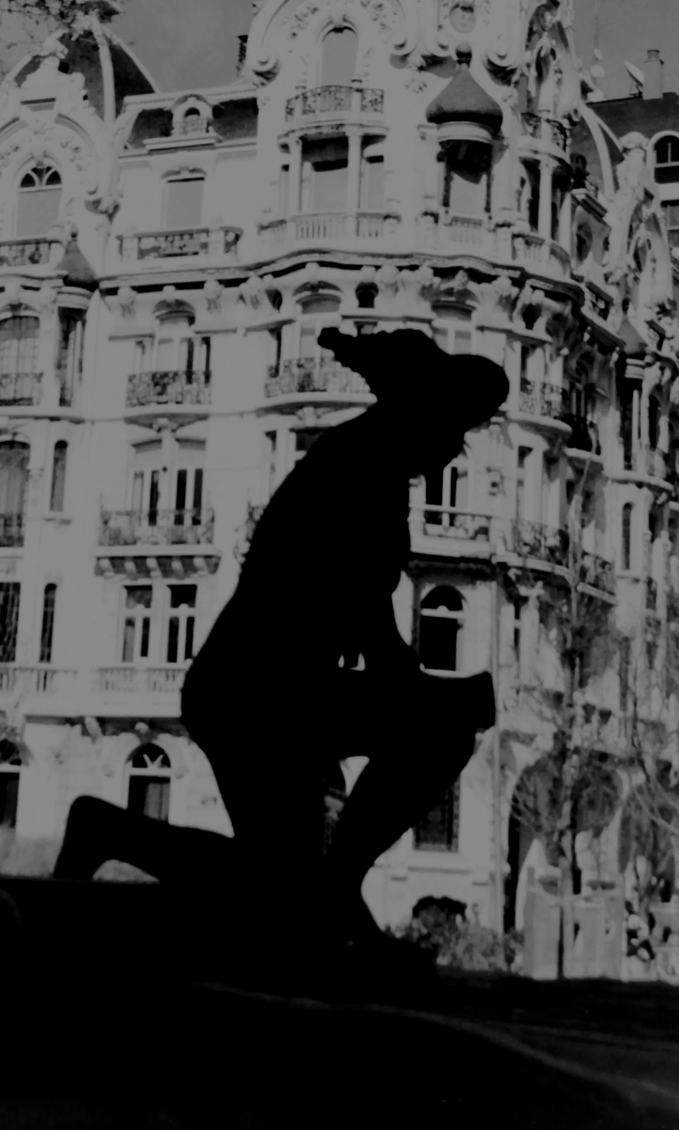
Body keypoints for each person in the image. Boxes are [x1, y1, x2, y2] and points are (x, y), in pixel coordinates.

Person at [55, 327, 509, 971]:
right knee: (436, 733)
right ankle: (330, 895)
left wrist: (415, 683)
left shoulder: (368, 464)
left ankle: (118, 834)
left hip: (276, 690)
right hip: (258, 693)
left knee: (277, 885)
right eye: (453, 431)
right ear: (422, 414)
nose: (452, 453)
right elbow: (361, 606)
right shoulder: (360, 470)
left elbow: (367, 614)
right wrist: (438, 693)